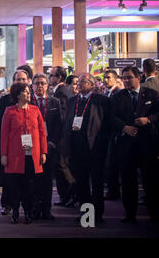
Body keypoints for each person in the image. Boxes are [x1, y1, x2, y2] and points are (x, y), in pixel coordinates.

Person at [111, 66, 159, 223]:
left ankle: (154, 212)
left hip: (148, 144)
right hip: (126, 145)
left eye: (129, 77)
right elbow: (112, 117)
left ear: (138, 78)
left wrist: (148, 120)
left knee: (151, 180)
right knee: (128, 181)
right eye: (124, 78)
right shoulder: (117, 97)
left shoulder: (151, 94)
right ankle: (130, 213)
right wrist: (123, 127)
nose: (126, 81)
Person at [63, 73, 110, 224]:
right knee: (81, 184)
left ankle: (98, 215)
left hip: (95, 149)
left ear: (92, 84)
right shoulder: (72, 101)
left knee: (96, 184)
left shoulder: (101, 100)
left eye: (82, 82)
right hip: (77, 149)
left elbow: (106, 126)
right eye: (78, 82)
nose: (78, 84)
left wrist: (102, 145)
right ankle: (86, 215)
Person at [1, 82, 47, 224]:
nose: (29, 94)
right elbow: (4, 135)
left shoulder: (35, 110)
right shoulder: (9, 111)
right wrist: (4, 154)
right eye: (25, 92)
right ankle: (15, 211)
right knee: (15, 186)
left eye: (29, 91)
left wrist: (43, 152)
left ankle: (28, 212)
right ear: (17, 94)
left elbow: (42, 133)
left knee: (30, 186)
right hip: (15, 155)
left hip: (32, 155)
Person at [0, 69, 30, 216]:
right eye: (17, 79)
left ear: (28, 81)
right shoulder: (4, 101)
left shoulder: (30, 99)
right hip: (10, 147)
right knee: (8, 177)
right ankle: (7, 204)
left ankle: (27, 207)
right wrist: (0, 149)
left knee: (27, 179)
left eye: (23, 79)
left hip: (28, 146)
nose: (20, 82)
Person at [30, 73, 61, 220]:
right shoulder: (28, 102)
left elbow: (58, 126)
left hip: (49, 146)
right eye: (36, 83)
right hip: (32, 147)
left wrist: (52, 142)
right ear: (32, 86)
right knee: (34, 180)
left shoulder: (55, 102)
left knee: (47, 180)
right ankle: (34, 209)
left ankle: (46, 210)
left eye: (42, 83)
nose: (40, 86)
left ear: (47, 86)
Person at [49, 66, 76, 207]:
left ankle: (70, 194)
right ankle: (67, 196)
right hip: (60, 136)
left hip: (60, 137)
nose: (49, 78)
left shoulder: (61, 91)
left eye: (52, 75)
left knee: (61, 167)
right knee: (60, 167)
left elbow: (63, 115)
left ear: (59, 77)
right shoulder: (60, 90)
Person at [103, 69, 122, 200]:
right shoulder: (107, 93)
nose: (105, 80)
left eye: (108, 77)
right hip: (107, 134)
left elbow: (118, 115)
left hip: (115, 134)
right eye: (104, 77)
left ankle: (113, 191)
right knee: (109, 163)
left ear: (115, 79)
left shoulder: (118, 94)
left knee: (113, 164)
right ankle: (112, 189)